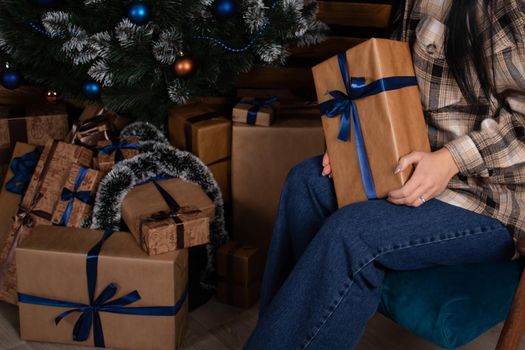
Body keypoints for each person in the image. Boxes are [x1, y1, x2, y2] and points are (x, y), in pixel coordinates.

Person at [244, 0, 525, 349]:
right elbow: (400, 94)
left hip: (494, 200)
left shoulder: (502, 9)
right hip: (419, 164)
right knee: (306, 182)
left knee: (352, 235)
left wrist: (450, 161)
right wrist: (356, 142)